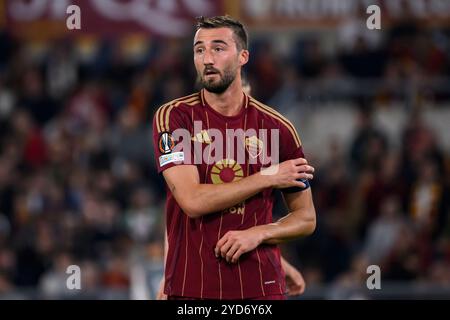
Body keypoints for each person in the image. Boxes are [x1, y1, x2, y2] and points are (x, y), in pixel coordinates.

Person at [152, 15, 316, 300]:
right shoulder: (174, 118)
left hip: (261, 290)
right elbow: (191, 201)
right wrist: (267, 176)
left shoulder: (278, 128)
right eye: (199, 49)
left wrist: (261, 233)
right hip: (194, 290)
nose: (207, 58)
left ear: (243, 56)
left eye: (218, 48)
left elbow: (306, 217)